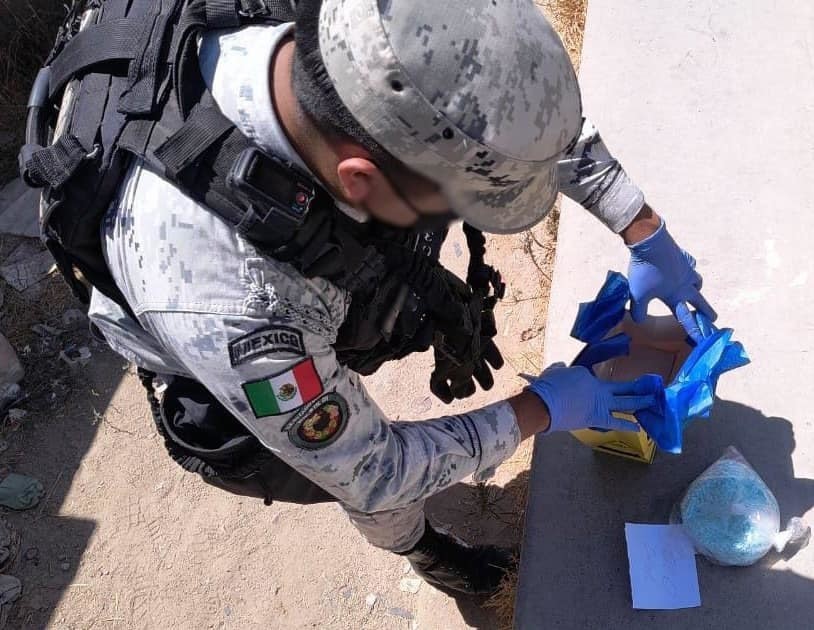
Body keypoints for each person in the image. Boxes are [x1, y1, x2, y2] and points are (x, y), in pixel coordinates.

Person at [84, 0, 716, 595]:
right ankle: (422, 550)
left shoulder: (364, 29)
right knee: (375, 495)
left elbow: (491, 114)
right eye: (465, 202)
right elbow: (374, 470)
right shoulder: (239, 308)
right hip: (212, 344)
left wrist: (641, 225)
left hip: (308, 233)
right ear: (361, 182)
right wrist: (543, 409)